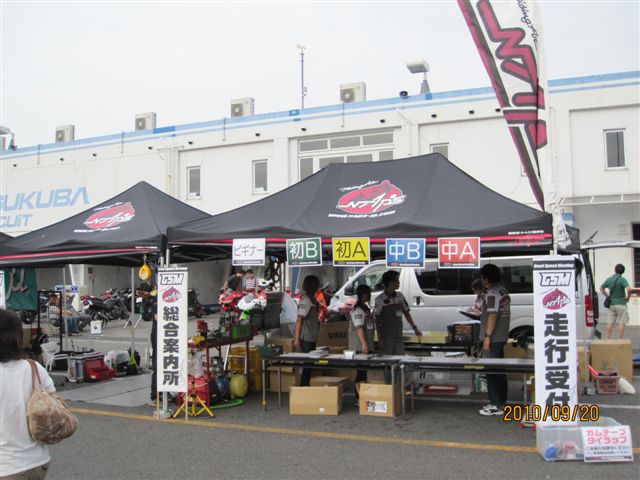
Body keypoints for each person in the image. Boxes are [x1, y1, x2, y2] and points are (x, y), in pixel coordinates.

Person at [0, 308, 56, 479]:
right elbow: (54, 404)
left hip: (6, 467)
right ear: (17, 337)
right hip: (38, 462)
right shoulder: (34, 368)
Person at [374, 270, 422, 382]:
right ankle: (389, 386)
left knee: (400, 361)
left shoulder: (400, 296)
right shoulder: (380, 299)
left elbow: (406, 313)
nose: (399, 283)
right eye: (397, 281)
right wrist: (380, 338)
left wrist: (415, 328)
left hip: (399, 335)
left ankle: (398, 385)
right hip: (387, 337)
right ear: (390, 283)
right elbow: (377, 319)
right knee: (388, 361)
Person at [478, 263, 511, 416]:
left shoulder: (492, 293)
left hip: (493, 337)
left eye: (482, 277)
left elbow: (492, 315)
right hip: (501, 336)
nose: (481, 280)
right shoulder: (502, 290)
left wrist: (487, 337)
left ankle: (495, 404)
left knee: (491, 370)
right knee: (499, 370)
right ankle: (502, 402)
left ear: (486, 278)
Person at [348, 284, 375, 405]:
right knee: (361, 371)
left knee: (364, 371)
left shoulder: (365, 308)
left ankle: (362, 395)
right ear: (363, 295)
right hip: (360, 347)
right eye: (368, 293)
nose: (370, 295)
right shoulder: (358, 310)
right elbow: (359, 328)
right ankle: (357, 397)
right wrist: (364, 344)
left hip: (367, 345)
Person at [294, 275, 322, 386]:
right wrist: (297, 338)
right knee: (307, 365)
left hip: (312, 336)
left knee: (310, 365)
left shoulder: (312, 299)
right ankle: (303, 387)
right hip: (306, 338)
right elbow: (299, 320)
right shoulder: (305, 300)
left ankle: (306, 387)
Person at [600, 263, 632, 339]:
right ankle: (620, 338)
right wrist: (628, 298)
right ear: (623, 271)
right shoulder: (622, 279)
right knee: (622, 322)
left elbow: (601, 288)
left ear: (615, 270)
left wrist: (607, 296)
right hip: (621, 303)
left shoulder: (609, 279)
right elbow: (629, 289)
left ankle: (608, 338)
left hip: (612, 304)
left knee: (610, 322)